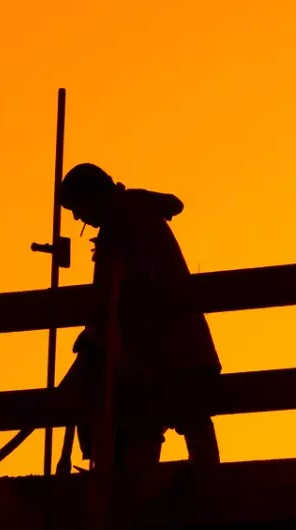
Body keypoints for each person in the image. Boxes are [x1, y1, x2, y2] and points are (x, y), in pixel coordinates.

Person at [58, 163, 221, 473]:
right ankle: (194, 485)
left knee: (155, 417)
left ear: (91, 196)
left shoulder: (125, 222)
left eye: (77, 208)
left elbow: (126, 289)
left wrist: (99, 334)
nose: (78, 218)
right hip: (167, 347)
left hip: (164, 348)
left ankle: (171, 489)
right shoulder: (132, 215)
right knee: (170, 416)